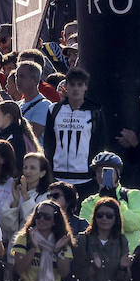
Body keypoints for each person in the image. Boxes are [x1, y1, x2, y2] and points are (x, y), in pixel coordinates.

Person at [41, 66, 108, 196]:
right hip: (57, 177)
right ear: (66, 86)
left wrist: (95, 173)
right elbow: (49, 143)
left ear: (85, 87)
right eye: (72, 84)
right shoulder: (53, 110)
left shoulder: (94, 111)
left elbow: (99, 143)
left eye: (80, 84)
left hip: (86, 179)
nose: (76, 88)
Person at [77, 152, 140, 250]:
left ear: (118, 173)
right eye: (98, 171)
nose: (101, 175)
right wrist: (102, 199)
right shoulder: (88, 202)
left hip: (130, 256)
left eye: (106, 171)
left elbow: (134, 224)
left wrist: (116, 201)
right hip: (100, 258)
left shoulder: (133, 195)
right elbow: (88, 231)